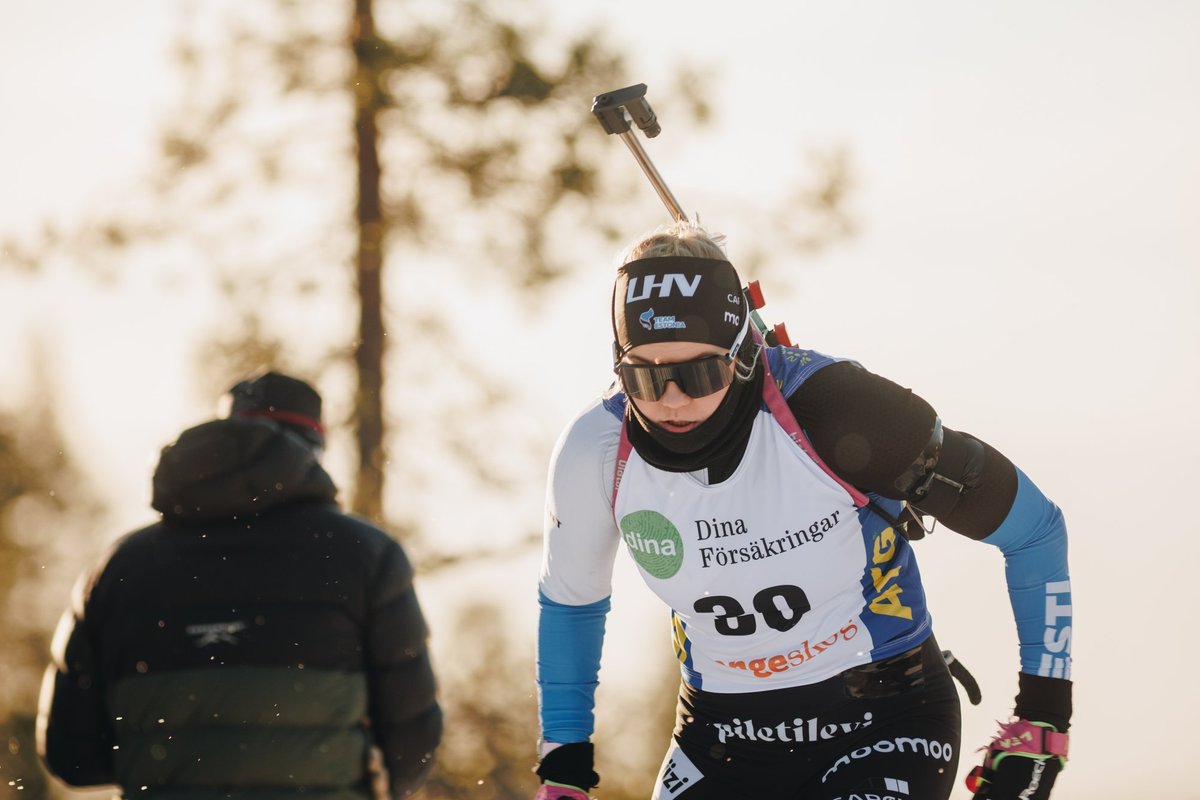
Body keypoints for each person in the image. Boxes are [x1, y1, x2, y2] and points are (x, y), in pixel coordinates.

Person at [533, 223, 1072, 800]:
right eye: (645, 376)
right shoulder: (597, 449)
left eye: (698, 373)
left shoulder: (836, 410)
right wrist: (564, 769)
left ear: (742, 354)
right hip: (720, 739)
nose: (672, 399)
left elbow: (1035, 530)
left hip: (885, 717)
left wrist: (1041, 723)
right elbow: (572, 602)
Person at [37, 370, 442, 799]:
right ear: (314, 450)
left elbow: (72, 755)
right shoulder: (366, 555)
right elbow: (411, 746)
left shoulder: (119, 569)